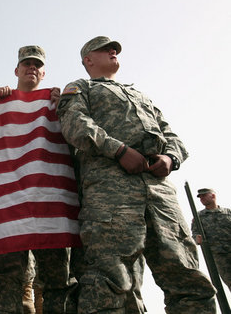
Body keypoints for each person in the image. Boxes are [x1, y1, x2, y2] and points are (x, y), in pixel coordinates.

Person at [56, 36, 216, 313]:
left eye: (114, 48)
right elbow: (76, 125)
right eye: (105, 49)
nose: (113, 51)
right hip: (110, 190)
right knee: (108, 279)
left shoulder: (140, 95)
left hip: (160, 193)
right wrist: (118, 150)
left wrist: (170, 157)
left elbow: (171, 135)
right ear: (88, 60)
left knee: (186, 274)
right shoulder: (80, 88)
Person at [0, 46, 77, 314]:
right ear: (16, 70)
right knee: (6, 277)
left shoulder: (58, 104)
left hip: (49, 206)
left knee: (56, 279)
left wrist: (64, 105)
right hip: (11, 205)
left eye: (37, 65)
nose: (31, 68)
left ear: (43, 72)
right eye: (26, 64)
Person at [192, 188, 231, 290]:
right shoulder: (199, 216)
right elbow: (195, 234)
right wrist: (197, 239)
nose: (202, 199)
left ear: (213, 196)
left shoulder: (228, 212)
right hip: (219, 255)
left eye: (204, 196)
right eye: (200, 197)